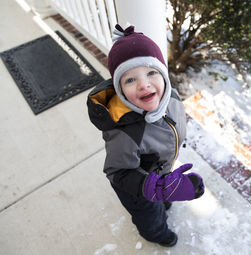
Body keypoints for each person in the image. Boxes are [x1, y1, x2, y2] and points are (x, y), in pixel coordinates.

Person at [87, 24, 205, 247]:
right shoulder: (125, 132)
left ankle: (163, 195)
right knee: (149, 216)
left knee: (161, 200)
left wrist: (166, 181)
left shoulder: (172, 99)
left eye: (151, 72)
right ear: (120, 89)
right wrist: (153, 187)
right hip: (136, 189)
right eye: (130, 80)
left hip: (160, 169)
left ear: (163, 74)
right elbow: (117, 172)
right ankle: (157, 234)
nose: (144, 84)